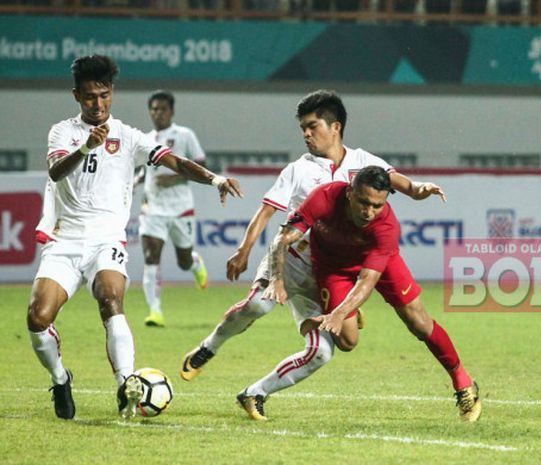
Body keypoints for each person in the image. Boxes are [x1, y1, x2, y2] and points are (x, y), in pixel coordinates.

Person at [179, 90, 447, 405]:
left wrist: (421, 189)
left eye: (312, 126)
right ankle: (209, 347)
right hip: (288, 260)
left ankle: (255, 394)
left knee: (322, 352)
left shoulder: (365, 162)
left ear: (336, 127)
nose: (306, 134)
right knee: (258, 305)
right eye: (302, 128)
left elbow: (404, 185)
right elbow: (267, 212)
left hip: (323, 274)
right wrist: (244, 249)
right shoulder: (298, 169)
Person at [27, 54, 242, 420]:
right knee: (37, 317)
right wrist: (85, 148)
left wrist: (215, 179)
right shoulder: (63, 132)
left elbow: (174, 161)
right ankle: (61, 379)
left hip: (106, 240)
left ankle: (127, 383)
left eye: (105, 95)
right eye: (91, 97)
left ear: (112, 93)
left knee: (111, 300)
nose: (99, 104)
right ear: (77, 95)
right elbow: (55, 171)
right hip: (65, 242)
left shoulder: (128, 136)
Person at [250, 166, 480, 422]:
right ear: (350, 192)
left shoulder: (386, 228)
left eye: (377, 206)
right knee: (347, 342)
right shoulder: (324, 197)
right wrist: (277, 280)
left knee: (419, 324)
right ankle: (352, 309)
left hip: (381, 263)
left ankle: (463, 382)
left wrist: (339, 313)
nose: (368, 212)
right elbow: (283, 239)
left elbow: (367, 280)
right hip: (333, 266)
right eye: (363, 202)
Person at [136, 90, 209, 328]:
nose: (158, 113)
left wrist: (175, 178)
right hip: (153, 208)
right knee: (150, 257)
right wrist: (134, 181)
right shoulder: (145, 139)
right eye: (154, 109)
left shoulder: (184, 135)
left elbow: (201, 165)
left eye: (162, 109)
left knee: (183, 261)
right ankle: (154, 311)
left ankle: (195, 263)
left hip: (180, 208)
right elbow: (142, 169)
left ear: (171, 111)